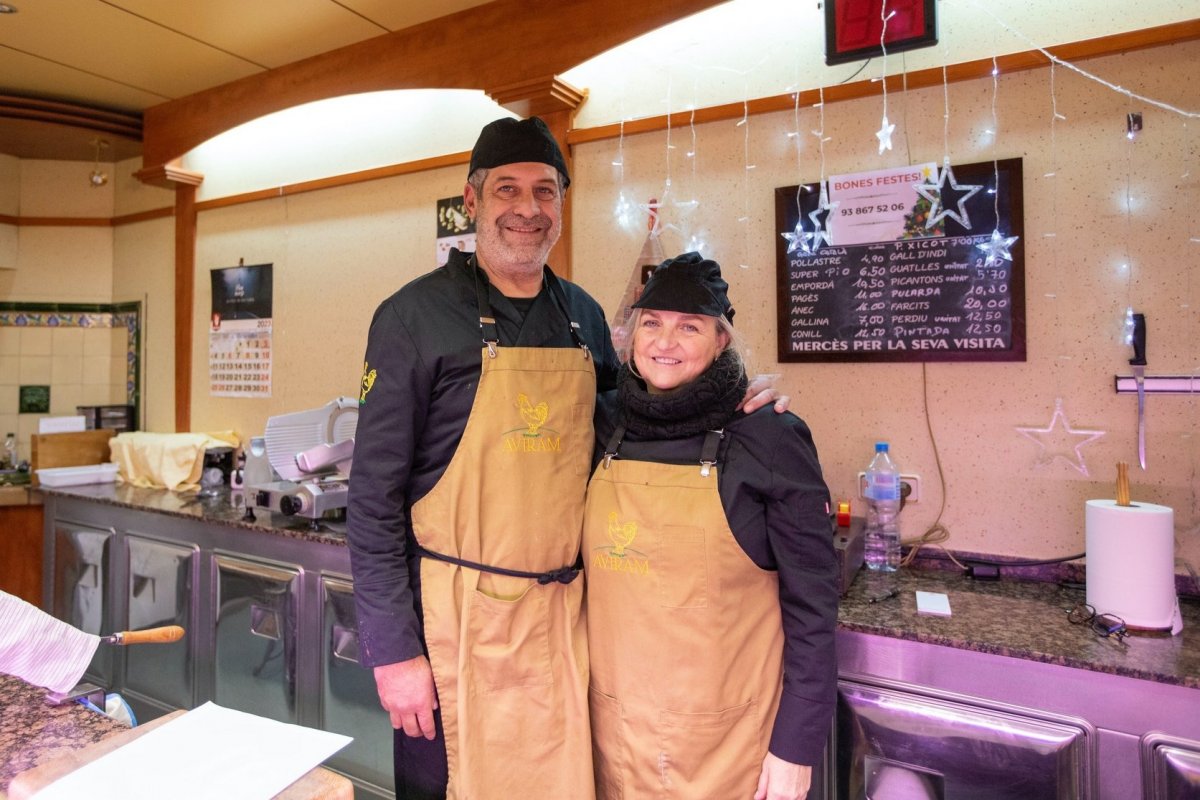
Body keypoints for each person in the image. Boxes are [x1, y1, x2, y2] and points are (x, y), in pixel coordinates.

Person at [347, 118, 786, 799]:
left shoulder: (580, 315)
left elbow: (636, 425)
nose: (527, 209)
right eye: (508, 190)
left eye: (545, 192)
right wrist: (394, 651)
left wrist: (733, 399)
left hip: (563, 622)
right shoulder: (411, 318)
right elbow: (372, 500)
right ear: (471, 200)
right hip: (453, 628)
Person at [584, 252, 838, 800]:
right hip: (614, 737)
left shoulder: (769, 436)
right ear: (630, 335)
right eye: (652, 323)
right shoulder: (604, 423)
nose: (664, 342)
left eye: (688, 327)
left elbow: (813, 608)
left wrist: (796, 748)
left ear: (721, 341)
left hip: (727, 749)